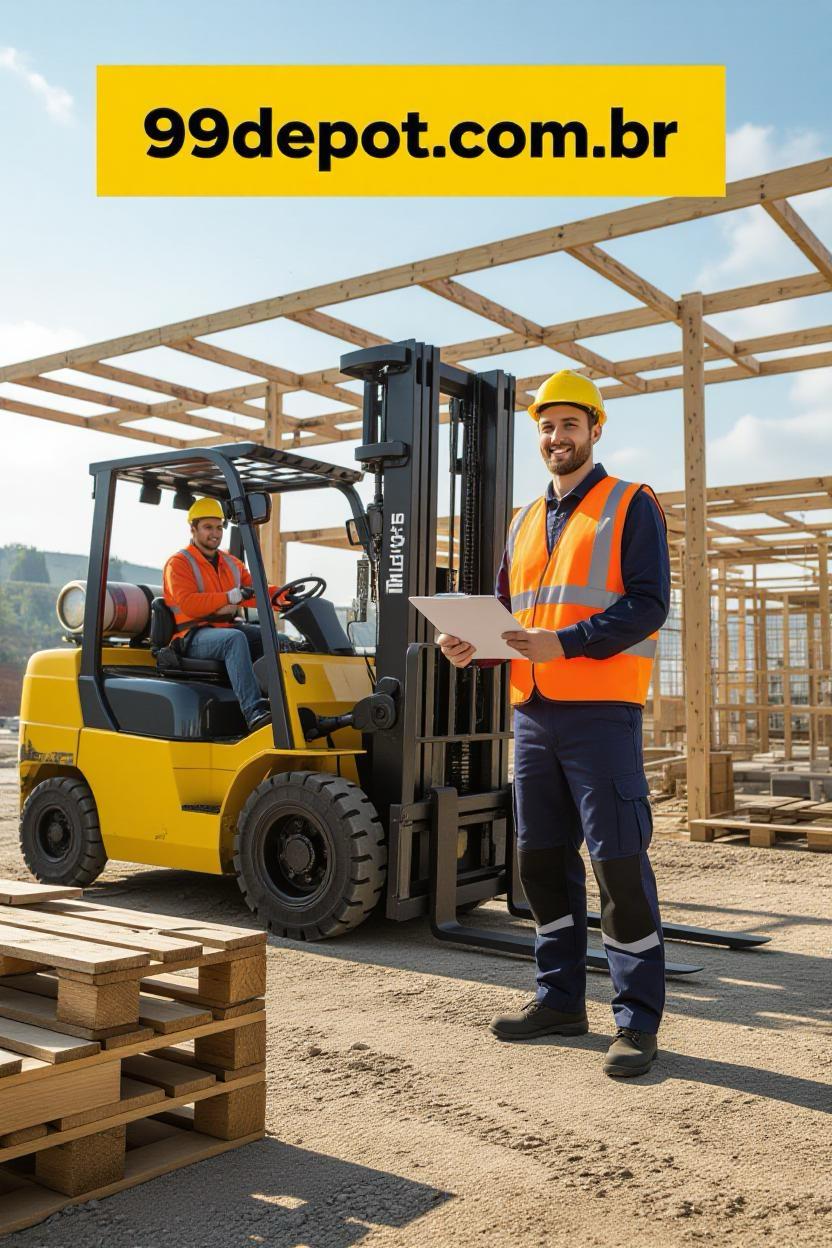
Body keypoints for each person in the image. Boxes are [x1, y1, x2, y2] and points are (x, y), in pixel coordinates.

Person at [437, 370, 670, 1078]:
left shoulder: (631, 503)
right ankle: (560, 1000)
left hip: (601, 712)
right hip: (533, 713)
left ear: (595, 429)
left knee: (617, 863)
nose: (556, 437)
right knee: (539, 861)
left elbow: (648, 605)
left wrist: (563, 644)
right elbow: (512, 619)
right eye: (546, 427)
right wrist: (474, 646)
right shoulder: (523, 520)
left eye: (569, 424)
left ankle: (636, 1020)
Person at [163, 497, 288, 733]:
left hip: (223, 629)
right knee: (235, 640)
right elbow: (189, 604)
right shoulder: (178, 564)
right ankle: (254, 712)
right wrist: (228, 597)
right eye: (208, 527)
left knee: (276, 639)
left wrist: (281, 595)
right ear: (193, 529)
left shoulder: (231, 563)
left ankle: (283, 705)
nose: (215, 533)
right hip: (191, 635)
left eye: (219, 527)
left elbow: (254, 589)